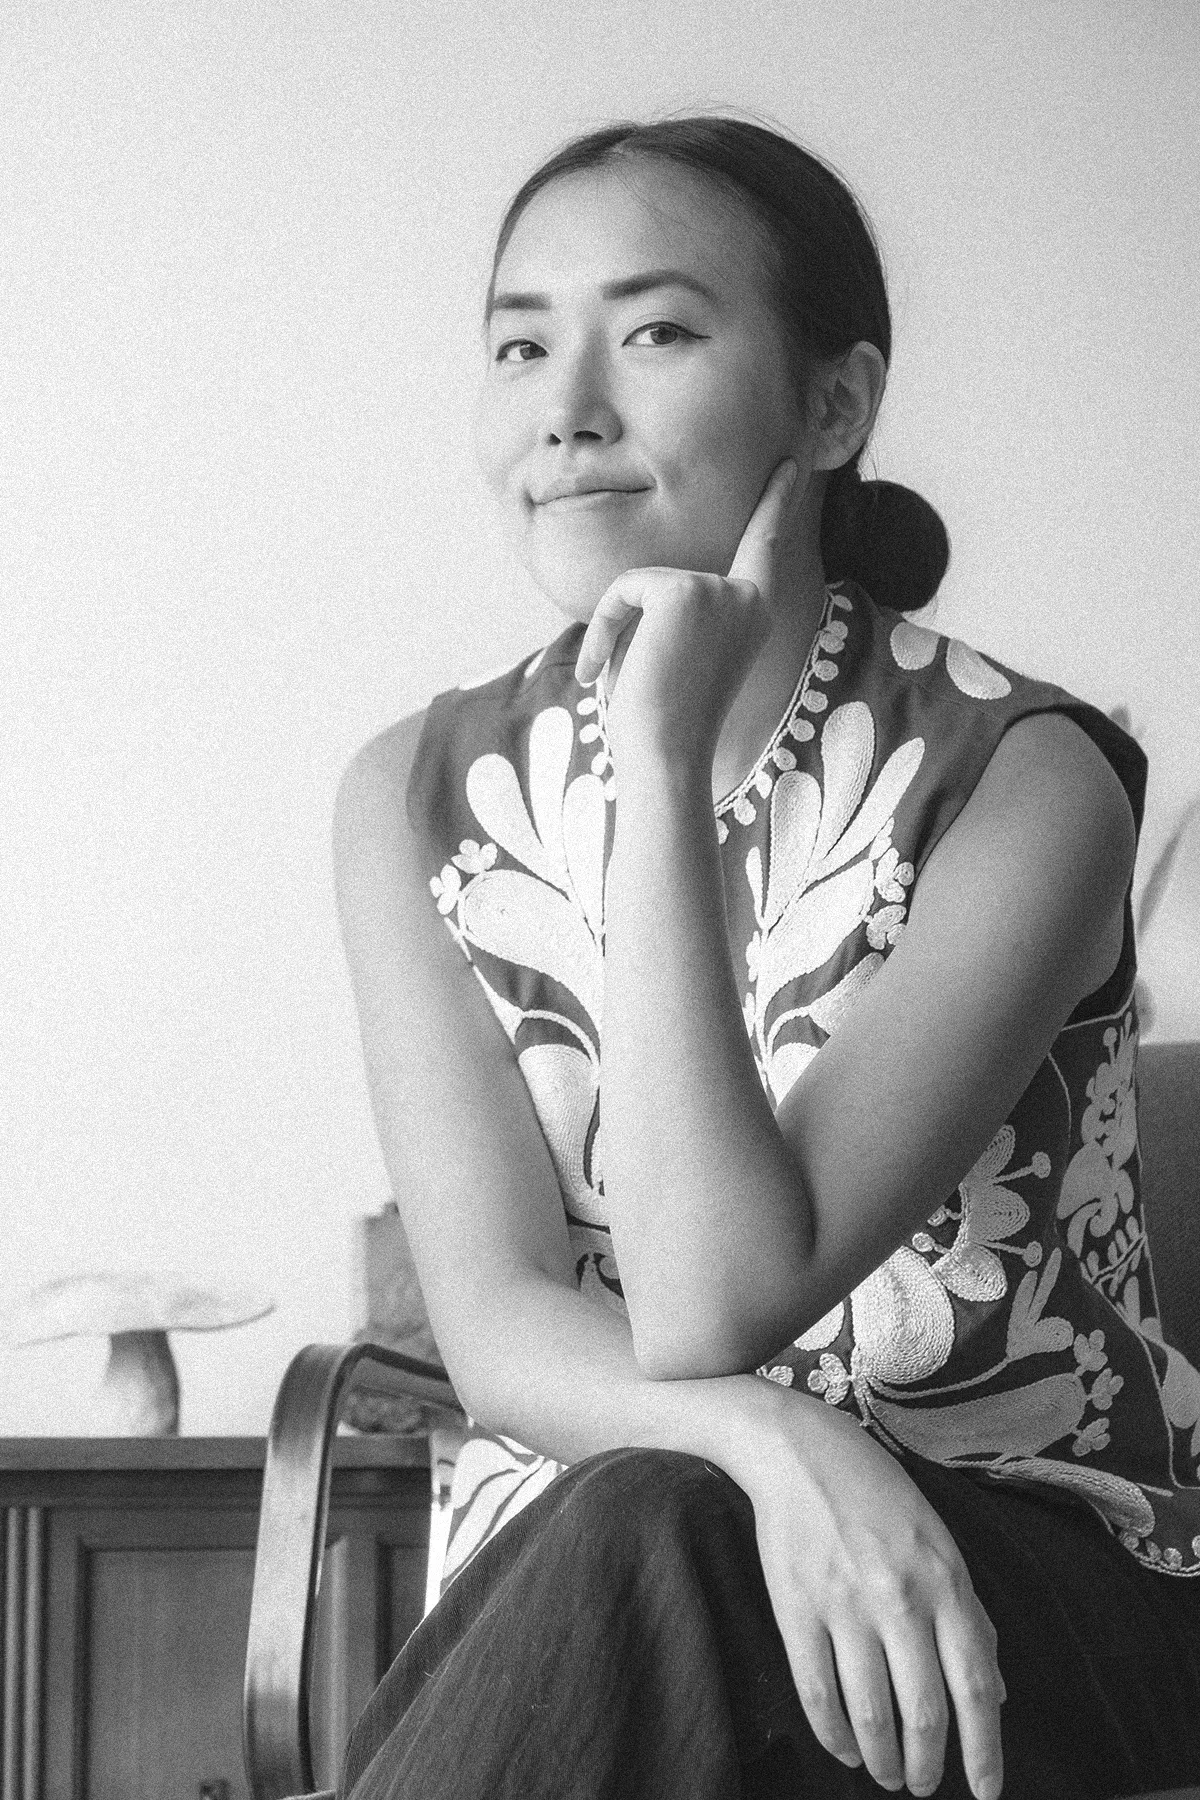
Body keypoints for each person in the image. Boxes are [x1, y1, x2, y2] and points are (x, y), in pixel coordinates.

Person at [331, 116, 1200, 1800]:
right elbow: (500, 1324)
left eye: (654, 330)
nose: (568, 406)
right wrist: (770, 1439)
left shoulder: (1028, 783)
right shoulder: (407, 796)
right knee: (665, 1525)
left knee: (668, 1535)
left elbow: (712, 1295)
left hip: (1015, 1580)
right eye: (521, 345)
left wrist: (655, 766)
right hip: (601, 1578)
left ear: (836, 405)